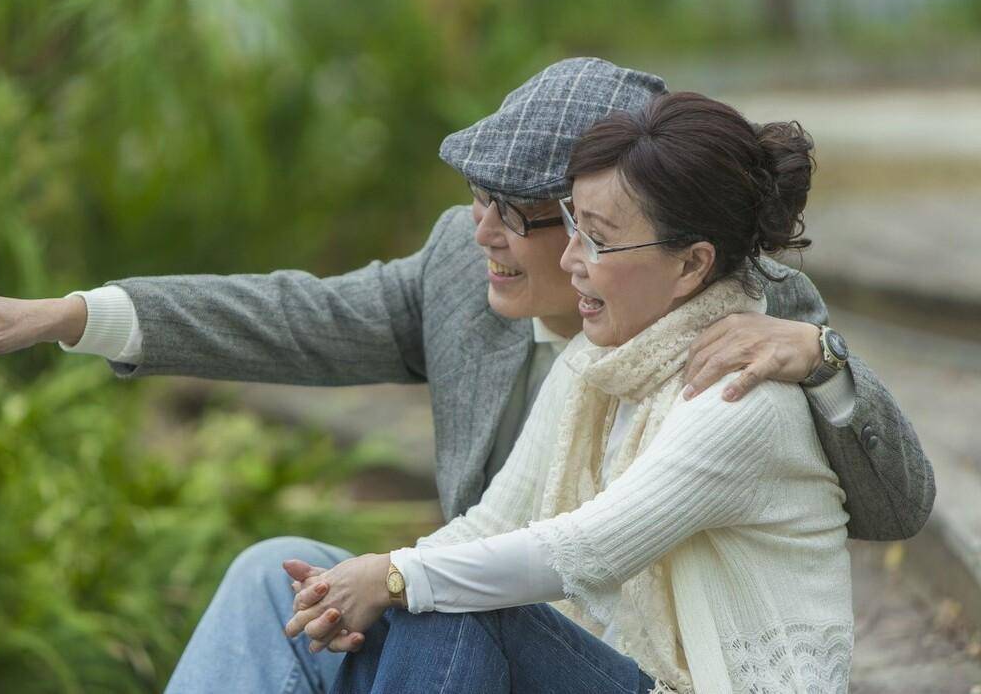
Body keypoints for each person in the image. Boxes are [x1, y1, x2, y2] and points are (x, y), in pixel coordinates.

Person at [0, 58, 933, 694]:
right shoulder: (481, 285)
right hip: (503, 633)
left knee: (433, 603)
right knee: (277, 574)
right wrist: (75, 314)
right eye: (475, 197)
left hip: (583, 645)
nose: (483, 233)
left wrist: (832, 364)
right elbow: (295, 316)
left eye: (528, 214)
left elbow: (895, 506)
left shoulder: (751, 331)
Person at [288, 90, 854, 693]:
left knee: (450, 605)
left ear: (692, 264)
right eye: (572, 226)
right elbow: (494, 523)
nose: (570, 260)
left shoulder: (740, 398)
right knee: (374, 595)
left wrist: (395, 577)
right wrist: (350, 589)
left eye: (599, 239)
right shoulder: (594, 364)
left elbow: (587, 550)